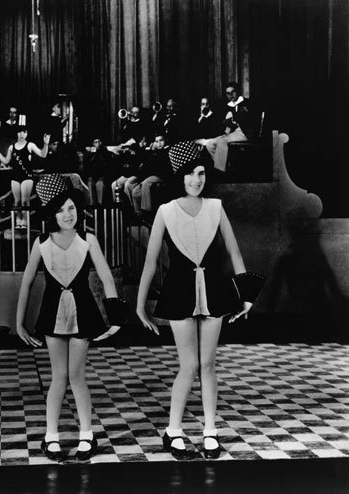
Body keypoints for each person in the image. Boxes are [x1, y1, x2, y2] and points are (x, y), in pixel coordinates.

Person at [135, 143, 253, 460]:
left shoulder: (216, 207)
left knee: (208, 365)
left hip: (215, 289)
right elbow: (150, 262)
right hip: (179, 291)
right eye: (189, 173)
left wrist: (248, 295)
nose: (196, 180)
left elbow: (235, 252)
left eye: (201, 173)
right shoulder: (165, 211)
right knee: (188, 366)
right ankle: (173, 430)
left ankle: (210, 431)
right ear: (179, 176)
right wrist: (139, 305)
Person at [16, 174, 123, 462]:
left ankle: (87, 435)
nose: (67, 214)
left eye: (71, 208)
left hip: (83, 312)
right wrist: (19, 323)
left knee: (76, 376)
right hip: (52, 313)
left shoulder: (88, 239)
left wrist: (116, 319)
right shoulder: (41, 242)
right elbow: (26, 282)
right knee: (58, 377)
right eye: (60, 209)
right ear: (51, 214)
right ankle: (51, 436)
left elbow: (107, 279)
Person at [0, 125, 50, 227]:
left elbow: (43, 155)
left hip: (27, 176)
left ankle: (25, 222)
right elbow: (6, 161)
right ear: (16, 133)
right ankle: (18, 221)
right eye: (19, 132)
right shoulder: (11, 147)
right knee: (17, 201)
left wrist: (46, 144)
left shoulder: (30, 145)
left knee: (25, 201)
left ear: (27, 133)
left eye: (24, 132)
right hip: (15, 176)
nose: (22, 134)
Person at [204, 82, 258, 172]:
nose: (231, 95)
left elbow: (252, 120)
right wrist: (226, 129)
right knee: (210, 144)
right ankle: (223, 167)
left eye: (233, 92)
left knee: (222, 141)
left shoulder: (248, 103)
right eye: (228, 93)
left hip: (245, 132)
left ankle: (219, 171)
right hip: (233, 132)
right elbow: (226, 124)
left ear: (238, 91)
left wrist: (235, 118)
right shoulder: (227, 106)